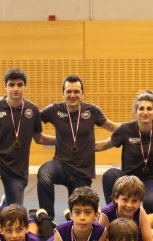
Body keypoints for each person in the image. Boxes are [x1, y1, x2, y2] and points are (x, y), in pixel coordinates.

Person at [0, 68, 55, 209]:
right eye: (11, 85)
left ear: (25, 86)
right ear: (5, 86)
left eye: (19, 85)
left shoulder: (33, 110)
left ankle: (4, 204)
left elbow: (39, 138)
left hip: (17, 170)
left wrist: (61, 139)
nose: (15, 89)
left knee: (14, 213)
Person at [37, 74, 118, 220]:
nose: (72, 95)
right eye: (68, 91)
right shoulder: (54, 110)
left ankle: (71, 216)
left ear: (82, 93)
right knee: (44, 174)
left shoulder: (92, 111)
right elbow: (30, 119)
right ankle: (47, 219)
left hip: (82, 170)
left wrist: (136, 127)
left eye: (76, 91)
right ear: (63, 93)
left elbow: (112, 127)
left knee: (81, 210)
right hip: (60, 165)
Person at [96, 90, 153, 217]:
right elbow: (103, 145)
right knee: (110, 174)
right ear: (136, 111)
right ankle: (114, 214)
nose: (145, 112)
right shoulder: (125, 129)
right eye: (141, 108)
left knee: (152, 202)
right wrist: (79, 147)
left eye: (149, 109)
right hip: (128, 178)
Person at [99, 175, 153, 241]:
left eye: (134, 201)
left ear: (140, 202)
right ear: (116, 198)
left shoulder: (140, 211)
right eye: (125, 200)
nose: (129, 205)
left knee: (152, 233)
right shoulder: (106, 214)